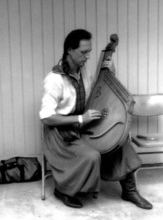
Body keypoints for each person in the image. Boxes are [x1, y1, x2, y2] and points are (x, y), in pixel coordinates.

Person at [39, 29, 153, 210]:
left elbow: (96, 90)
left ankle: (129, 190)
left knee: (119, 141)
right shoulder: (54, 79)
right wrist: (80, 118)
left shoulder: (83, 71)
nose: (87, 56)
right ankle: (64, 190)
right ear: (69, 50)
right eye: (83, 52)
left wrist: (108, 70)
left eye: (89, 52)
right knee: (91, 156)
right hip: (61, 134)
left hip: (83, 125)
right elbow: (46, 118)